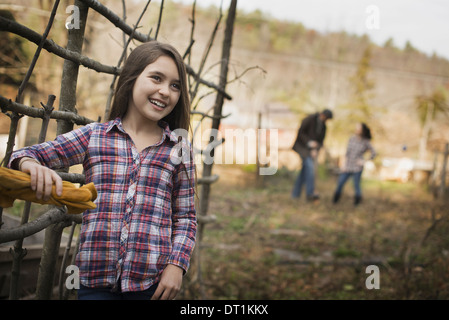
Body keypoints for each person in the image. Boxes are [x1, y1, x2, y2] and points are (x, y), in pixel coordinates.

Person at [7, 41, 197, 300]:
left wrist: (177, 265)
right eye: (156, 78)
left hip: (151, 285)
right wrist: (29, 164)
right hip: (94, 283)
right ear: (131, 78)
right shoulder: (94, 137)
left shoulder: (179, 149)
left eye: (175, 85)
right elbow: (24, 154)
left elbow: (185, 217)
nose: (166, 91)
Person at [291, 109, 333, 201]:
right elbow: (301, 133)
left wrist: (316, 149)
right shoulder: (310, 119)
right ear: (322, 114)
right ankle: (310, 193)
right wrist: (309, 143)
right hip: (302, 148)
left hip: (313, 151)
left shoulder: (324, 127)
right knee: (310, 168)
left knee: (304, 172)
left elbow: (321, 141)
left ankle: (295, 194)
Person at [332, 122, 376, 206]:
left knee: (356, 185)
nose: (356, 129)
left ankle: (357, 202)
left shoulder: (366, 142)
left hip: (357, 168)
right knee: (340, 182)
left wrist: (364, 161)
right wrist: (343, 164)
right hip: (347, 166)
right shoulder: (351, 139)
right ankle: (335, 200)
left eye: (358, 128)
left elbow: (374, 153)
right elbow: (347, 153)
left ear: (362, 130)